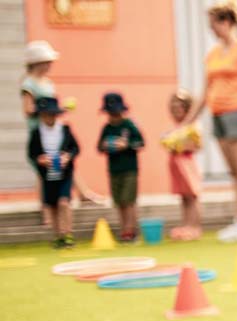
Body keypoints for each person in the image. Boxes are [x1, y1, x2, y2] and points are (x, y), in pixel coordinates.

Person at [183, 0, 237, 243]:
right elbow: (205, 91)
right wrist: (187, 122)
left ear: (227, 22)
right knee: (235, 173)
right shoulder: (212, 54)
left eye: (214, 24)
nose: (211, 30)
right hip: (219, 115)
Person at [19, 40, 105, 225]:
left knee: (65, 161)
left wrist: (59, 109)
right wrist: (45, 111)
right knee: (43, 168)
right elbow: (27, 110)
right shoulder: (28, 83)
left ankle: (82, 193)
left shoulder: (47, 82)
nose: (50, 65)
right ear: (37, 62)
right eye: (47, 61)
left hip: (54, 129)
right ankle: (46, 208)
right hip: (39, 131)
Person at [27, 97, 78, 248]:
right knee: (52, 205)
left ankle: (68, 233)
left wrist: (67, 157)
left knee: (64, 202)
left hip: (64, 173)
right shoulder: (36, 133)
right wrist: (40, 160)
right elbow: (31, 153)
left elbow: (75, 148)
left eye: (51, 114)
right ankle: (58, 236)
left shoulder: (65, 129)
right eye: (44, 115)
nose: (48, 117)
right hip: (47, 175)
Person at [97, 92, 144, 243]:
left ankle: (131, 230)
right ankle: (123, 228)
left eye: (116, 113)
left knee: (128, 200)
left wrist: (126, 145)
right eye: (110, 113)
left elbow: (140, 143)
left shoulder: (129, 125)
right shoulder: (107, 128)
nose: (113, 116)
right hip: (114, 169)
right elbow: (99, 147)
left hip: (130, 169)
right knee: (119, 201)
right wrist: (105, 146)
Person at [162, 90, 204, 241]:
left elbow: (198, 145)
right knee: (184, 197)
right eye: (173, 108)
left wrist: (180, 145)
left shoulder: (192, 125)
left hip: (187, 164)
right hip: (176, 164)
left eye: (179, 108)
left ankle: (195, 227)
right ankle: (186, 225)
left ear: (187, 109)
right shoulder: (176, 127)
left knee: (192, 196)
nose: (175, 111)